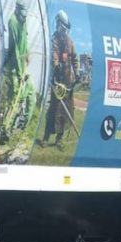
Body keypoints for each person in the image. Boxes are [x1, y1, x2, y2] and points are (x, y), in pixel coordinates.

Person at [42, 9, 78, 148]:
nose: (63, 30)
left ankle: (59, 140)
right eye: (61, 27)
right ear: (58, 24)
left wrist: (77, 73)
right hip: (57, 82)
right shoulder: (55, 39)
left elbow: (75, 59)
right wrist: (56, 64)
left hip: (68, 82)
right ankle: (45, 138)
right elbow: (54, 54)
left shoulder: (70, 42)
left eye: (64, 29)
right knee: (53, 110)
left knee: (66, 111)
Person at [0, 0, 31, 142]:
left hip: (23, 65)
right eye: (22, 15)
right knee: (15, 100)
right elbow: (15, 49)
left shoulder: (23, 20)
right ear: (17, 10)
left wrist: (28, 55)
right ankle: (4, 131)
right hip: (14, 67)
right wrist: (19, 73)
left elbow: (25, 41)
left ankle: (9, 129)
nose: (24, 18)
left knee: (22, 98)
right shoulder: (12, 22)